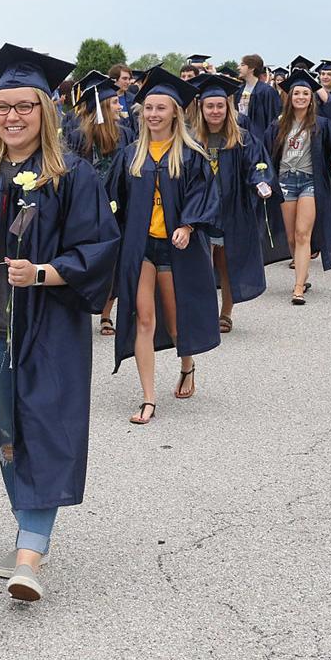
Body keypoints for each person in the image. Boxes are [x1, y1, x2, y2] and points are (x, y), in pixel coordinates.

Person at [0, 44, 120, 601]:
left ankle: (30, 552)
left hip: (49, 330)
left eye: (25, 106)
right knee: (9, 436)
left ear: (45, 111)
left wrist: (43, 274)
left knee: (45, 434)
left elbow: (100, 247)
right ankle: (28, 532)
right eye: (3, 106)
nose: (12, 116)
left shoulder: (72, 175)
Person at [106, 66, 220, 425]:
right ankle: (148, 398)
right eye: (148, 108)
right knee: (144, 319)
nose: (153, 114)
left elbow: (203, 195)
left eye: (160, 108)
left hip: (175, 247)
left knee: (174, 321)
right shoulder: (130, 156)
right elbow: (113, 201)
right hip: (140, 248)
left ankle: (187, 366)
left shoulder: (189, 154)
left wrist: (187, 224)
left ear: (175, 111)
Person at [190, 73, 272, 330]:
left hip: (230, 209)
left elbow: (257, 166)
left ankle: (225, 312)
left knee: (226, 263)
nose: (215, 111)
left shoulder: (243, 138)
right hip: (201, 210)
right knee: (202, 264)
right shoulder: (191, 140)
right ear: (201, 108)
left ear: (228, 107)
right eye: (210, 106)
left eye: (220, 105)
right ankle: (203, 312)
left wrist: (261, 182)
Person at [262, 69, 331, 303]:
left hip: (310, 181)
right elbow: (265, 155)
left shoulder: (321, 124)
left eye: (305, 93)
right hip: (285, 182)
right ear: (289, 97)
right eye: (296, 93)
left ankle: (298, 286)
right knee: (291, 237)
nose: (300, 97)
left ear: (311, 98)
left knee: (302, 234)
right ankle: (303, 273)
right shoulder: (278, 125)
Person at [65, 71, 135, 335]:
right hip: (84, 206)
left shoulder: (126, 134)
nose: (119, 105)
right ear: (103, 106)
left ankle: (106, 314)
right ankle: (79, 309)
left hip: (117, 206)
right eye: (114, 102)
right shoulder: (77, 135)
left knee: (114, 261)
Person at [237, 54, 282, 136]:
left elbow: (272, 119)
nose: (238, 68)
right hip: (241, 138)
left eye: (242, 65)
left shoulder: (267, 91)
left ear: (251, 68)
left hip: (260, 141)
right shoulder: (239, 91)